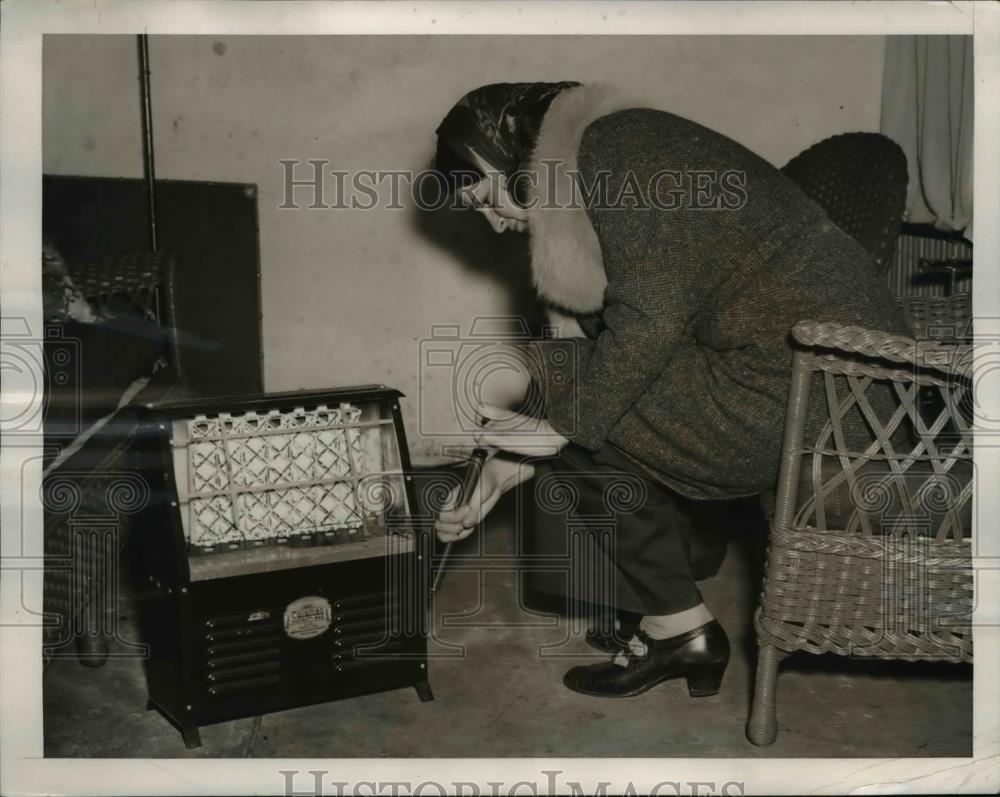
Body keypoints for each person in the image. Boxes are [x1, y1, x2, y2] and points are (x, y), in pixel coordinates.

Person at [431, 82, 909, 699]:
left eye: (487, 197)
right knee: (578, 380)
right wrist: (499, 472)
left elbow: (646, 323)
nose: (494, 225)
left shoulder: (620, 149)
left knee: (580, 392)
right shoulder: (609, 153)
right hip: (813, 381)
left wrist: (549, 431)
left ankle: (675, 627)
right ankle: (674, 623)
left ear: (514, 166)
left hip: (825, 397)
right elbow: (615, 338)